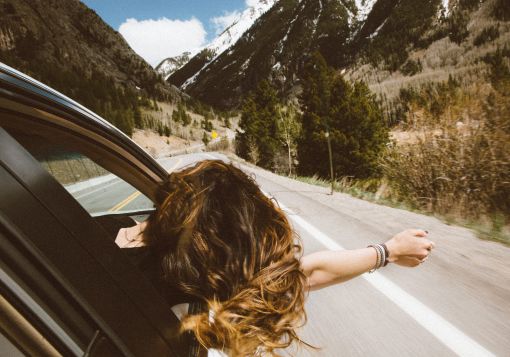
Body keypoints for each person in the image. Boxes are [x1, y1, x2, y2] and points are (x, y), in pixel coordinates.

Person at [114, 160, 435, 356]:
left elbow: (305, 272)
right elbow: (307, 272)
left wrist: (389, 251)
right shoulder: (191, 281)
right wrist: (388, 251)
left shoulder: (100, 240)